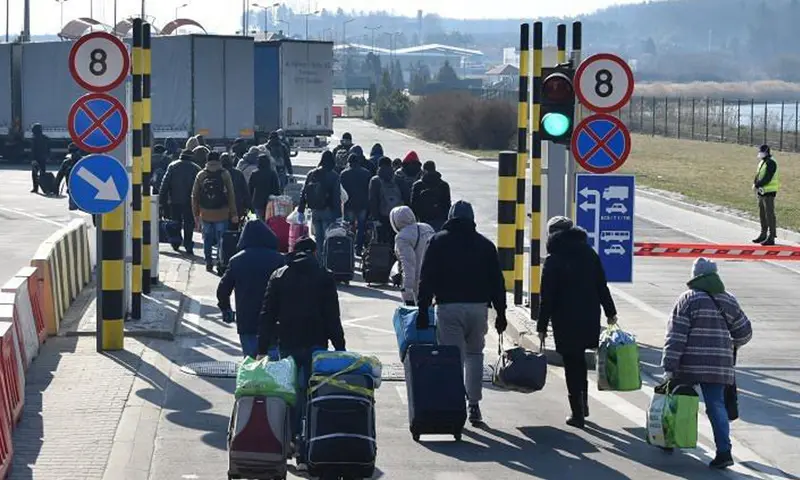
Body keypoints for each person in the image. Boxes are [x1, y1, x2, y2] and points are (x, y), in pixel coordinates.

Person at [417, 200, 506, 425]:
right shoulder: (485, 245)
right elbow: (497, 282)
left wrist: (422, 309)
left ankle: (454, 405)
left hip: (449, 308)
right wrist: (502, 313)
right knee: (475, 356)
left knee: (452, 359)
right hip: (478, 308)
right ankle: (474, 405)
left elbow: (427, 278)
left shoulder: (437, 241)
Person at [257, 236, 345, 463]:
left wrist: (262, 347)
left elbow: (267, 314)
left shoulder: (279, 276)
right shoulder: (324, 276)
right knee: (313, 392)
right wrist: (340, 347)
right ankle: (310, 442)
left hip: (288, 343)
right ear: (314, 253)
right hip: (317, 343)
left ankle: (290, 439)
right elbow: (332, 316)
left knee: (291, 392)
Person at [662, 257, 752, 469]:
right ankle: (724, 452)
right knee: (716, 406)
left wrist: (669, 366)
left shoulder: (688, 299)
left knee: (676, 398)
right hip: (719, 365)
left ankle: (668, 438)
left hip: (689, 364)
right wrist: (730, 346)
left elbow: (676, 336)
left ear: (695, 275)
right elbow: (745, 332)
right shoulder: (729, 299)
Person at [537, 216, 617, 429]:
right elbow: (602, 285)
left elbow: (547, 297)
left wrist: (542, 326)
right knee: (580, 360)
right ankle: (583, 403)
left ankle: (577, 412)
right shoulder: (589, 254)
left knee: (572, 363)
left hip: (564, 319)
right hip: (589, 316)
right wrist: (611, 312)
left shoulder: (554, 260)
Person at [217, 220, 286, 358]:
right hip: (273, 320)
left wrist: (226, 309)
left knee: (251, 365)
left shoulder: (236, 260)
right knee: (274, 364)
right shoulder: (279, 259)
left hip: (247, 320)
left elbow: (223, 290)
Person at [191, 146, 238, 271]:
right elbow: (231, 194)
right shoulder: (225, 174)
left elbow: (194, 196)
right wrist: (233, 213)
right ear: (219, 161)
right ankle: (220, 262)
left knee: (207, 239)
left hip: (205, 213)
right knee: (221, 240)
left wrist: (196, 214)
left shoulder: (201, 174)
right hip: (222, 212)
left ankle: (208, 262)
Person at [390, 206, 434, 306]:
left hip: (417, 284)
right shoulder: (427, 228)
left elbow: (408, 264)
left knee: (417, 317)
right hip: (433, 279)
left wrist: (407, 290)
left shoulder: (402, 237)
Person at [159, 148, 201, 254]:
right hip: (190, 201)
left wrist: (161, 199)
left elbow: (165, 183)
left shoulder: (173, 166)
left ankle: (176, 242)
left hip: (174, 200)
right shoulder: (196, 168)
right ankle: (188, 244)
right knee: (188, 223)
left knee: (175, 222)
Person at [299, 151, 341, 248]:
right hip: (328, 211)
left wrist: (301, 210)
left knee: (318, 238)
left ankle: (319, 261)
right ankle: (326, 261)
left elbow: (304, 192)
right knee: (328, 239)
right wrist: (338, 215)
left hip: (315, 210)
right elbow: (336, 197)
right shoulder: (334, 176)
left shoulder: (312, 173)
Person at [340, 152, 372, 255]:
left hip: (349, 204)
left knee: (349, 226)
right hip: (362, 204)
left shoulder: (344, 174)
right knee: (361, 226)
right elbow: (369, 190)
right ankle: (358, 248)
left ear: (349, 162)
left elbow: (341, 191)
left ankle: (349, 248)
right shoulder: (366, 173)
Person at [369, 156, 404, 244]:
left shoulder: (375, 180)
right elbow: (406, 197)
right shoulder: (399, 179)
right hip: (397, 215)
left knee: (382, 240)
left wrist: (375, 218)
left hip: (382, 215)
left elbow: (373, 200)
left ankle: (384, 256)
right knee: (395, 237)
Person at [411, 160, 452, 232]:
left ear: (424, 170)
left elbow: (413, 204)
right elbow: (447, 204)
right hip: (440, 220)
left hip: (423, 220)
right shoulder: (443, 185)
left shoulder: (418, 185)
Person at [752, 144, 779, 246]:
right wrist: (755, 184)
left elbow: (767, 178)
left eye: (761, 152)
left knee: (769, 215)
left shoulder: (771, 162)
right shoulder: (762, 162)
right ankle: (763, 234)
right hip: (762, 191)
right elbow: (758, 174)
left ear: (766, 152)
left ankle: (771, 237)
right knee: (762, 214)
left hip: (769, 192)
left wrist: (757, 184)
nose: (760, 153)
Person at [250, 152, 281, 221]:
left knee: (260, 221)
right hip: (271, 201)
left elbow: (250, 189)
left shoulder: (255, 173)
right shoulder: (272, 173)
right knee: (270, 221)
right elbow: (277, 188)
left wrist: (250, 203)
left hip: (258, 201)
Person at [220, 152, 251, 220]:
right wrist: (248, 205)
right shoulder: (238, 173)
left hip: (221, 207)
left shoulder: (218, 174)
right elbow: (245, 191)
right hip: (237, 206)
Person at [30, 123, 50, 194]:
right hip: (43, 159)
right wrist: (48, 156)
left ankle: (35, 188)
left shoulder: (34, 138)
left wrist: (33, 159)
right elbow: (48, 149)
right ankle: (46, 188)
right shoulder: (45, 138)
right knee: (43, 174)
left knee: (34, 174)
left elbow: (33, 150)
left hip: (36, 159)